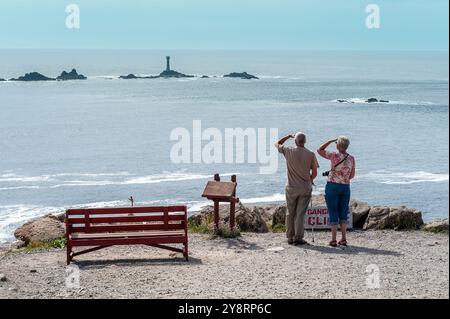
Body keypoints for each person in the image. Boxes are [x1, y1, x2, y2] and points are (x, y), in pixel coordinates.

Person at [275, 132, 319, 245]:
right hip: (305, 187)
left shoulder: (289, 150)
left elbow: (277, 144)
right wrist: (309, 180)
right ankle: (298, 237)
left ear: (295, 141)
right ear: (305, 141)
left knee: (290, 213)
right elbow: (314, 172)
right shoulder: (311, 154)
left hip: (291, 187)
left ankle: (290, 237)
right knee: (300, 214)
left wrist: (288, 136)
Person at [317, 136, 356, 247]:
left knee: (333, 211)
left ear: (338, 145)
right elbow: (352, 175)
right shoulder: (351, 158)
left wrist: (329, 141)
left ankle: (333, 240)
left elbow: (319, 150)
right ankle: (343, 239)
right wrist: (344, 177)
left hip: (332, 186)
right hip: (345, 187)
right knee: (343, 211)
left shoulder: (333, 155)